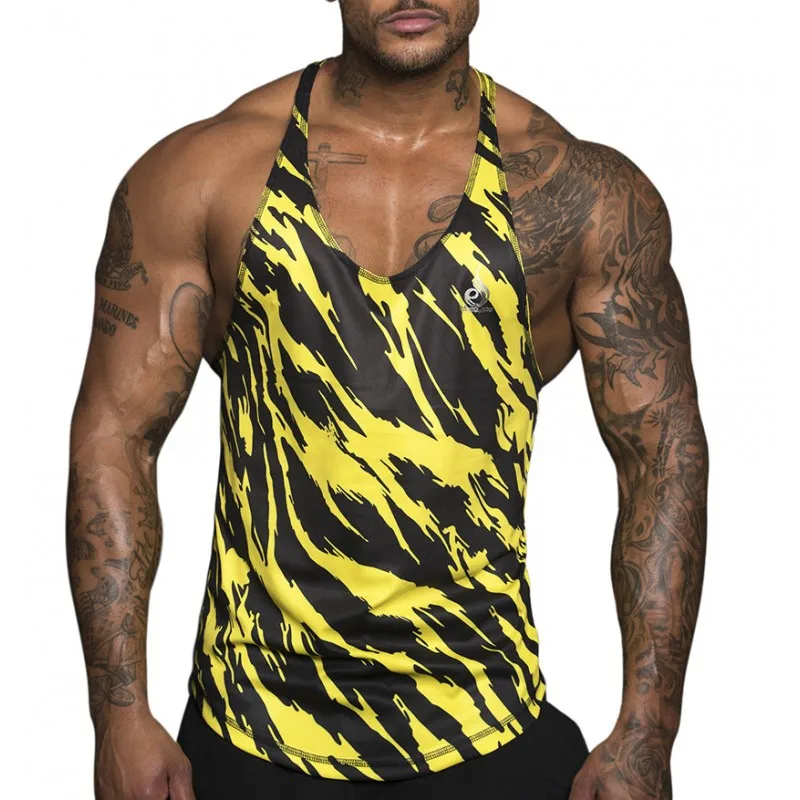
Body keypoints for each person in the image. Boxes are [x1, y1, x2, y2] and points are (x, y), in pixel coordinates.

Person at [66, 1, 708, 798]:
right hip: (253, 734)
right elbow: (116, 435)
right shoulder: (204, 174)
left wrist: (647, 731)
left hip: (486, 730)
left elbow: (662, 456)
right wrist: (119, 717)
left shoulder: (580, 194)